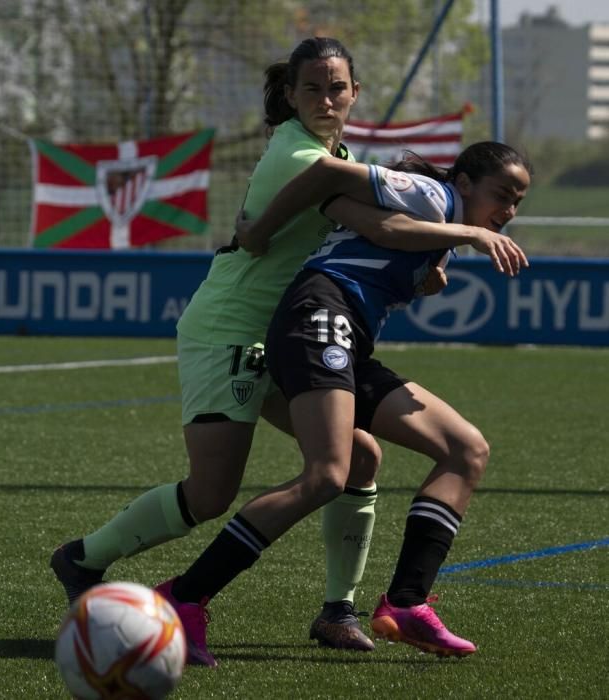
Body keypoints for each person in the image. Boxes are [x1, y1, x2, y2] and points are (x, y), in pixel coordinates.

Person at [50, 37, 455, 666]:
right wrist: (465, 232)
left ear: (355, 94)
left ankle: (337, 609)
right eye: (313, 88)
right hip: (229, 330)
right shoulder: (299, 152)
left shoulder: (337, 153)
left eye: (338, 87)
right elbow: (375, 223)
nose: (327, 98)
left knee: (358, 459)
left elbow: (372, 226)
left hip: (281, 333)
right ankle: (84, 557)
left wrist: (425, 260)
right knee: (212, 494)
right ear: (290, 95)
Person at [150, 141, 532, 658]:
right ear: (464, 182)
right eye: (502, 194)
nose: (508, 210)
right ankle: (182, 598)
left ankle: (405, 603)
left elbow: (373, 237)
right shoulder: (432, 195)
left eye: (518, 201)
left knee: (466, 450)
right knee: (328, 474)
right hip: (316, 318)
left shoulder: (443, 229)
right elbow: (331, 173)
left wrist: (428, 271)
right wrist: (257, 232)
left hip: (346, 339)